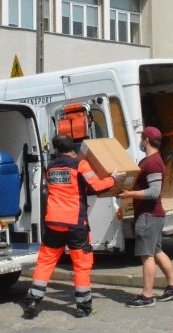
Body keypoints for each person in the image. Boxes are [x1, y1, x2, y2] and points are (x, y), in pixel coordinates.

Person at [23, 133, 123, 319]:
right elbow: (97, 186)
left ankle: (33, 300)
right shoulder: (80, 165)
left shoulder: (50, 167)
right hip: (75, 223)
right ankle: (83, 307)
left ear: (56, 149)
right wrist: (114, 179)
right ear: (72, 148)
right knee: (82, 265)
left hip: (53, 222)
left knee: (46, 262)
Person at [118, 126, 173, 308]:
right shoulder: (148, 161)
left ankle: (147, 296)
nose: (140, 141)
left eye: (142, 138)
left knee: (146, 256)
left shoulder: (153, 162)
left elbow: (154, 192)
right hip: (152, 215)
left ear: (146, 140)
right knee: (156, 251)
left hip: (149, 216)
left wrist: (129, 195)